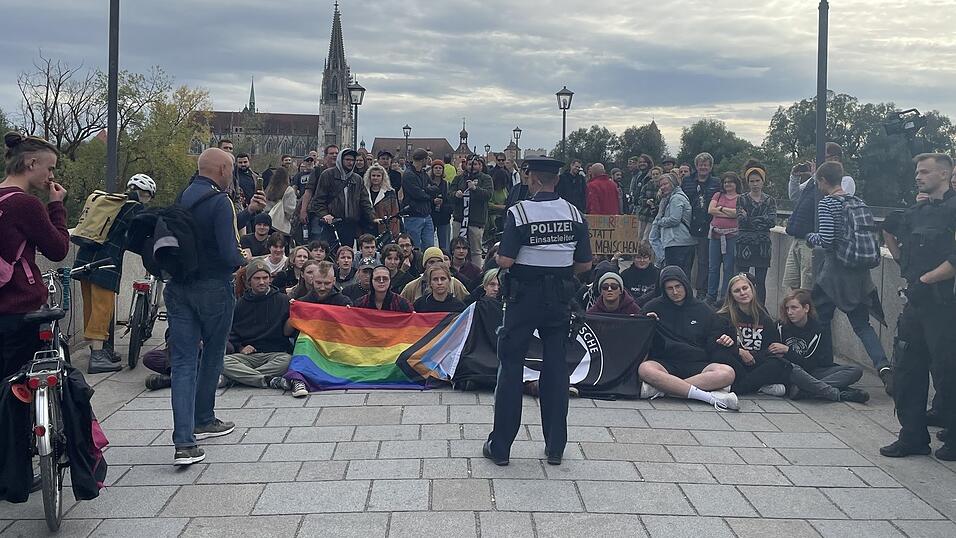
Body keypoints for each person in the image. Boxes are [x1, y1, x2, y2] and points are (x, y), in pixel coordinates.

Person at [485, 156, 593, 467]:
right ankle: (555, 446)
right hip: (559, 297)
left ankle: (501, 446)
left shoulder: (519, 212)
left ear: (532, 179)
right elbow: (584, 265)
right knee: (557, 368)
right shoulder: (574, 214)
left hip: (524, 297)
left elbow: (505, 261)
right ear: (556, 180)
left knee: (511, 365)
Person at [165, 147, 245, 465]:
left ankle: (184, 441)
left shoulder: (182, 197)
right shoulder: (219, 202)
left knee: (184, 362)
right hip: (213, 287)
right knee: (212, 353)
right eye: (230, 171)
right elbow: (228, 253)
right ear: (223, 170)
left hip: (178, 287)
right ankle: (204, 418)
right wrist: (245, 259)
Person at [880, 153, 956, 460]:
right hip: (915, 302)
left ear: (943, 175)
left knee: (947, 372)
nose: (918, 176)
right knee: (908, 371)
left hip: (944, 305)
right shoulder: (916, 211)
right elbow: (888, 230)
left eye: (924, 171)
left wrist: (927, 279)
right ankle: (911, 435)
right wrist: (904, 264)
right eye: (917, 171)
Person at [806, 161, 892, 394]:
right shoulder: (859, 202)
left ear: (823, 181)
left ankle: (822, 366)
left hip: (834, 274)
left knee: (820, 319)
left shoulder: (827, 204)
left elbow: (826, 240)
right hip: (860, 275)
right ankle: (884, 367)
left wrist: (810, 237)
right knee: (862, 325)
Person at [0, 132, 70, 381]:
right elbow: (58, 249)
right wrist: (56, 206)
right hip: (20, 309)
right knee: (19, 390)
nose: (51, 176)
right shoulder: (26, 205)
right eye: (49, 168)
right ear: (31, 164)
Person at [72, 173, 156, 373]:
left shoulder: (113, 204)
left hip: (84, 258)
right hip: (106, 263)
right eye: (148, 196)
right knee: (103, 308)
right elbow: (136, 238)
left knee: (91, 307)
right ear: (145, 193)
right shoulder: (135, 207)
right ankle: (98, 357)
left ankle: (99, 350)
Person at [637, 266, 740, 410]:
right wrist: (646, 324)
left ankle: (665, 390)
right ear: (663, 289)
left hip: (697, 362)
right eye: (669, 288)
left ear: (685, 284)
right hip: (666, 362)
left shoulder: (703, 309)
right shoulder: (653, 307)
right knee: (645, 369)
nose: (675, 292)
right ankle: (708, 397)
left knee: (727, 372)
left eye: (678, 286)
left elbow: (713, 341)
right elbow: (637, 335)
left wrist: (725, 341)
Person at [222, 260, 305, 397]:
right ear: (249, 281)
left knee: (287, 361)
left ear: (270, 279)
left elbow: (288, 330)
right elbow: (231, 331)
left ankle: (237, 378)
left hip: (275, 353)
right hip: (249, 355)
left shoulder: (283, 300)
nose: (261, 282)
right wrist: (240, 347)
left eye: (265, 278)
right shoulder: (240, 304)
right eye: (257, 278)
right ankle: (267, 380)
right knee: (222, 362)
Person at [770, 289, 868, 402]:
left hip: (813, 371)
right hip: (791, 373)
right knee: (794, 370)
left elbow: (815, 364)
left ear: (806, 308)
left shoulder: (819, 329)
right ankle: (833, 392)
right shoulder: (780, 326)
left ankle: (806, 390)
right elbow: (777, 359)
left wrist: (788, 351)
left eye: (794, 308)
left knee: (855, 371)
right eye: (787, 308)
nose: (790, 312)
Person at [785, 143, 856, 290]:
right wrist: (794, 177)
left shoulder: (846, 181)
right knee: (791, 285)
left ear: (834, 159)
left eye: (821, 157)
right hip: (797, 236)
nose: (816, 161)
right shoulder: (815, 179)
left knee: (807, 287)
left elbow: (834, 200)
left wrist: (815, 176)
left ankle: (807, 313)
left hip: (813, 240)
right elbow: (794, 196)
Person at [715, 274, 792, 396]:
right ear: (732, 296)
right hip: (735, 360)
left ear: (752, 289)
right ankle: (756, 386)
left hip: (756, 362)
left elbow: (771, 348)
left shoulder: (764, 317)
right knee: (720, 355)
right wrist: (739, 351)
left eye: (745, 288)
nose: (742, 293)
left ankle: (739, 387)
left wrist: (753, 356)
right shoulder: (724, 316)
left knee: (777, 363)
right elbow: (716, 343)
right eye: (737, 291)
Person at [306, 147, 377, 249]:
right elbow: (318, 200)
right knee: (329, 252)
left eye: (352, 160)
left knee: (346, 254)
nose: (350, 163)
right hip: (332, 224)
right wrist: (325, 214)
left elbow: (364, 202)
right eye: (347, 160)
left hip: (350, 224)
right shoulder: (327, 175)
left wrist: (373, 218)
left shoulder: (357, 179)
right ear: (341, 160)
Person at [735, 165, 777, 304]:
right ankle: (741, 307)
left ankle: (760, 310)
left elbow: (771, 221)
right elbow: (741, 220)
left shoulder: (770, 200)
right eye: (752, 181)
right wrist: (760, 219)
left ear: (762, 181)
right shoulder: (742, 199)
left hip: (762, 244)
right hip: (744, 243)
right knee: (742, 279)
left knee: (760, 281)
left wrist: (750, 218)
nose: (755, 184)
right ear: (748, 182)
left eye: (757, 180)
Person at [682, 152, 720, 299]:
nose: (703, 167)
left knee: (704, 261)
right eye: (700, 164)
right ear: (696, 166)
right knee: (686, 261)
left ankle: (701, 292)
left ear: (710, 167)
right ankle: (685, 290)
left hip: (707, 227)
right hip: (688, 226)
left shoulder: (716, 183)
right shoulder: (687, 181)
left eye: (706, 164)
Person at [706, 172, 742, 303]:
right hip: (715, 235)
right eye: (725, 182)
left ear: (736, 184)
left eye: (730, 182)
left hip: (732, 236)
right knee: (713, 267)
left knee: (729, 268)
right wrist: (727, 210)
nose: (728, 184)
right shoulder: (718, 195)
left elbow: (737, 214)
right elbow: (710, 210)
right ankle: (711, 295)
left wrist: (719, 209)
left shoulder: (741, 198)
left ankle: (724, 297)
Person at [451, 156, 493, 265]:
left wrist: (475, 189)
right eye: (470, 164)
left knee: (476, 251)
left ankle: (476, 274)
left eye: (475, 164)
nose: (472, 167)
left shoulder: (486, 178)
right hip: (459, 219)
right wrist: (455, 194)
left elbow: (488, 195)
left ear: (480, 166)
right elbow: (449, 194)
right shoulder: (458, 178)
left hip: (476, 220)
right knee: (456, 248)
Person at [654, 173, 696, 278]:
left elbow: (674, 219)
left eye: (665, 184)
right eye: (661, 185)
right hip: (679, 241)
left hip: (678, 241)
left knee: (676, 275)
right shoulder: (671, 197)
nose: (663, 187)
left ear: (673, 183)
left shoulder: (676, 198)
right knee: (682, 275)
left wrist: (660, 222)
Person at [400, 246, 470, 303]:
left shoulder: (455, 284)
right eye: (431, 262)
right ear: (424, 265)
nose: (435, 265)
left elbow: (468, 303)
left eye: (439, 261)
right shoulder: (412, 287)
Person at [401, 148, 436, 248]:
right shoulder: (408, 175)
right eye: (427, 158)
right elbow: (417, 194)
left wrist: (425, 190)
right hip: (413, 215)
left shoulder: (423, 174)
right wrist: (429, 194)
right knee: (414, 247)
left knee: (429, 247)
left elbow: (435, 188)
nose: (428, 161)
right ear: (423, 160)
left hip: (426, 214)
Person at [299, 144, 339, 226]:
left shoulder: (341, 172)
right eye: (331, 153)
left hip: (336, 213)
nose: (334, 155)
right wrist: (303, 210)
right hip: (318, 212)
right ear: (325, 156)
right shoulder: (318, 171)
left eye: (336, 153)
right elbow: (308, 192)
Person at [365, 164, 400, 239]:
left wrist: (394, 231)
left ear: (382, 177)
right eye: (373, 175)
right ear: (369, 177)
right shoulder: (364, 192)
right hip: (367, 227)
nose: (375, 178)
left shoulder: (390, 192)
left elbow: (395, 212)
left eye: (378, 176)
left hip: (385, 228)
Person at [262, 166, 296, 237]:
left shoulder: (270, 188)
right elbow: (289, 210)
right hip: (281, 225)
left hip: (269, 222)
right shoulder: (288, 190)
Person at [427, 160, 452, 251]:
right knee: (429, 242)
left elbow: (450, 200)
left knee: (445, 244)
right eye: (436, 168)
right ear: (432, 169)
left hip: (444, 217)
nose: (438, 170)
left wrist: (444, 205)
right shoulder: (428, 183)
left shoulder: (446, 184)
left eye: (440, 168)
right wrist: (433, 201)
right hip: (431, 215)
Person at [635, 166, 662, 240]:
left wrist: (655, 205)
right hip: (643, 214)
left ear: (660, 174)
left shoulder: (663, 186)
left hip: (654, 215)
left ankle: (647, 251)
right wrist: (646, 201)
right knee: (639, 235)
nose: (655, 176)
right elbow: (639, 199)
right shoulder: (646, 186)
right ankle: (640, 251)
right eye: (653, 174)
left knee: (647, 237)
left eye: (657, 174)